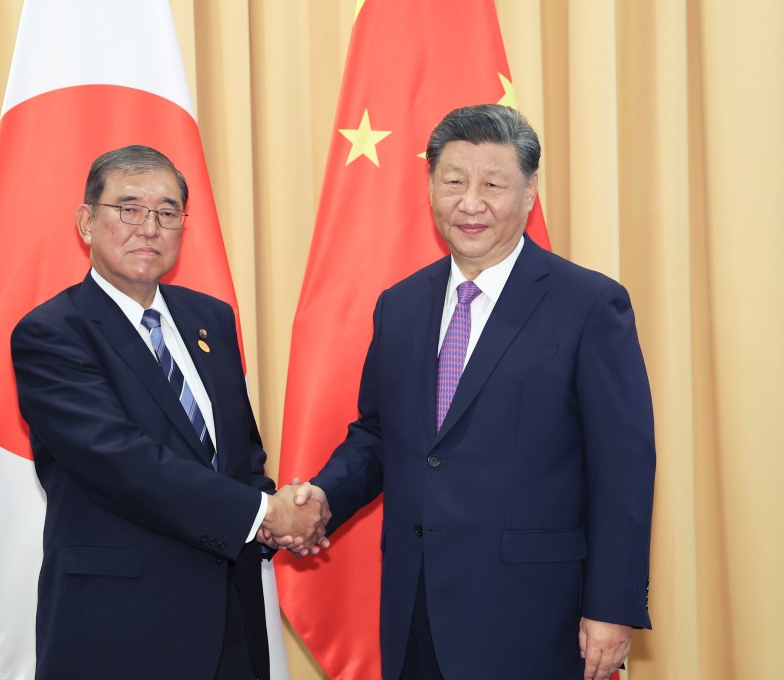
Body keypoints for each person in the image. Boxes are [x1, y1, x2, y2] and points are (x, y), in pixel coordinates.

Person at [279, 105, 655, 679]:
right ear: (430, 187)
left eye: (493, 184)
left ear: (529, 192)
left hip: (537, 614)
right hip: (416, 605)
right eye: (453, 181)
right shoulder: (400, 305)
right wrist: (325, 497)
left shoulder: (589, 305)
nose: (470, 203)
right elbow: (381, 434)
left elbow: (623, 466)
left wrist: (610, 607)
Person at [11, 145, 327, 679]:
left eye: (167, 212)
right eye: (128, 208)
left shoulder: (211, 319)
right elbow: (122, 461)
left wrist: (275, 516)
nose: (149, 227)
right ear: (87, 222)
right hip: (121, 630)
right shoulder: (52, 333)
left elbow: (239, 456)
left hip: (230, 621)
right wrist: (262, 513)